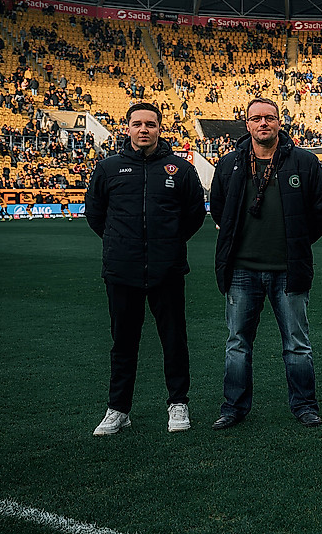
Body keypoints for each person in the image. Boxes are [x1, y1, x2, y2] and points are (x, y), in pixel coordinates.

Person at [209, 97, 322, 430]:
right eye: (256, 118)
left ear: (280, 122)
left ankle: (305, 405)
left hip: (288, 269)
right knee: (237, 343)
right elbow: (219, 207)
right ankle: (233, 407)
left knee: (297, 343)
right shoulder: (229, 164)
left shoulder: (304, 162)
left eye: (270, 117)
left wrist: (298, 240)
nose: (263, 123)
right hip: (241, 269)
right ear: (247, 124)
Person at [85, 103, 206, 436]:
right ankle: (118, 409)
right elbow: (95, 215)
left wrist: (168, 243)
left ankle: (178, 403)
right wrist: (120, 245)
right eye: (137, 124)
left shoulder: (179, 169)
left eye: (150, 124)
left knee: (173, 339)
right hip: (122, 272)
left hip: (167, 271)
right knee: (123, 342)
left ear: (159, 129)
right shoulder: (108, 168)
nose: (143, 130)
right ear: (127, 129)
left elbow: (195, 214)